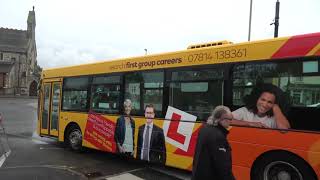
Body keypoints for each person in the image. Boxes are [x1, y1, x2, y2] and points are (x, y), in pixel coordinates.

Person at [192, 105, 235, 180]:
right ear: (222, 119)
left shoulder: (204, 129)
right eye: (230, 119)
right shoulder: (218, 136)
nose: (231, 122)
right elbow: (223, 166)